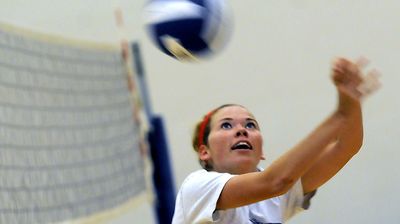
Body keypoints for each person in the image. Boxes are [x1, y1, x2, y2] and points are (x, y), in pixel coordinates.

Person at [171, 57, 380, 224]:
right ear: (204, 151)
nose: (241, 130)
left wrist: (351, 104)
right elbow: (276, 182)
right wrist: (340, 116)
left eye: (250, 125)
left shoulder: (276, 196)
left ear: (261, 152)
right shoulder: (198, 187)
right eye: (226, 125)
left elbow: (346, 147)